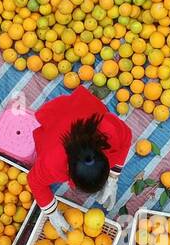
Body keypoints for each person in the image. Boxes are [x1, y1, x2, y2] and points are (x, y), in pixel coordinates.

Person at [25, 88, 132, 236]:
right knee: (51, 124)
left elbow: (126, 138)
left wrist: (113, 177)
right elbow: (34, 181)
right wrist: (52, 211)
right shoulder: (53, 162)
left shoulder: (109, 132)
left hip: (84, 109)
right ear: (68, 172)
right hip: (58, 116)